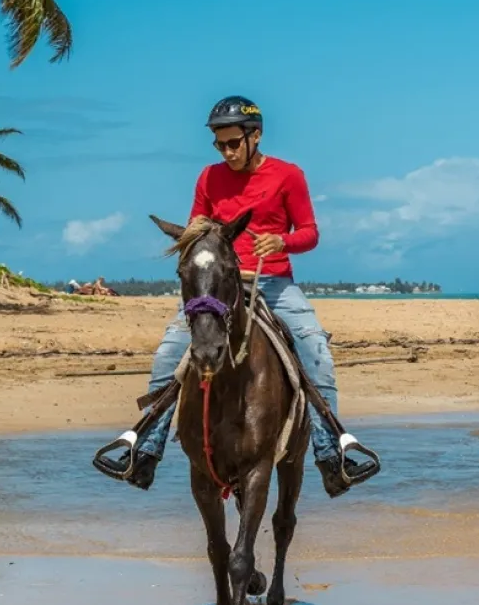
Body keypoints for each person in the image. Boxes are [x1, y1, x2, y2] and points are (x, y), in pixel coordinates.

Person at [97, 95, 377, 497]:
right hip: (215, 286)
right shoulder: (208, 178)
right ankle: (146, 450)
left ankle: (332, 455)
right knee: (167, 354)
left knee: (317, 353)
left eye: (233, 143)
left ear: (255, 136)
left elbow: (310, 233)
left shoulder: (288, 175)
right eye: (220, 145)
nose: (226, 152)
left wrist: (281, 241)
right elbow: (197, 231)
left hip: (273, 284)